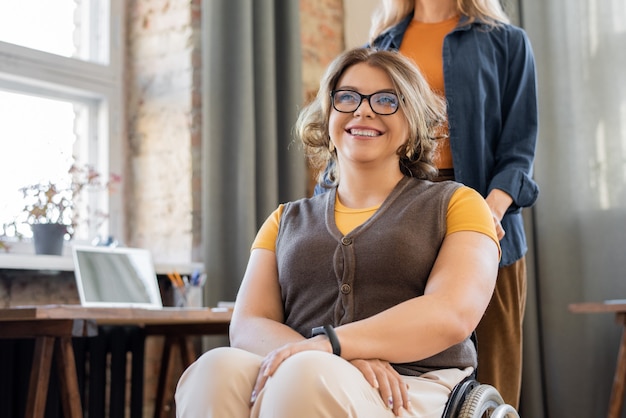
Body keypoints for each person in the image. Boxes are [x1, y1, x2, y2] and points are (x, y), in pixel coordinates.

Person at [175, 47, 500, 418]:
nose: (363, 110)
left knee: (307, 375)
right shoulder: (284, 220)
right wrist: (331, 356)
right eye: (347, 97)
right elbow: (248, 324)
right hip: (303, 373)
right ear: (328, 114)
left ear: (412, 121)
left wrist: (333, 349)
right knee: (214, 368)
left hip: (413, 388)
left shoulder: (457, 203)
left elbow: (451, 314)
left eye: (386, 100)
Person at [360, 0, 540, 408]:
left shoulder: (507, 41)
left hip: (486, 212)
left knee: (494, 376)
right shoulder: (382, 44)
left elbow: (519, 147)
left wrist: (486, 213)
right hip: (402, 217)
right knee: (405, 371)